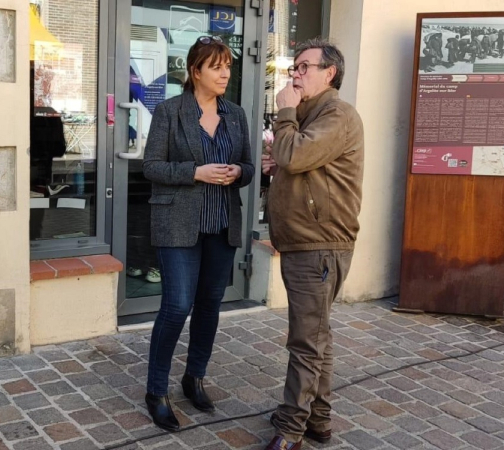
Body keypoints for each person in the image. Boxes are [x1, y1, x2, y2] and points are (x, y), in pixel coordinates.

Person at [142, 35, 254, 432]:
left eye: (228, 66)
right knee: (176, 306)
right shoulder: (170, 111)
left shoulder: (236, 114)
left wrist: (239, 172)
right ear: (195, 72)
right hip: (178, 224)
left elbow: (248, 166)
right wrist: (195, 172)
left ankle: (194, 377)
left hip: (221, 224)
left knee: (209, 305)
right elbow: (151, 166)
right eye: (217, 67)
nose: (225, 73)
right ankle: (156, 391)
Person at [261, 38, 364, 450]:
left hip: (320, 245)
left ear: (329, 73)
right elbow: (298, 164)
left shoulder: (337, 113)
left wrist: (285, 115)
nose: (296, 75)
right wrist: (279, 166)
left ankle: (291, 431)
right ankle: (319, 419)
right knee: (316, 335)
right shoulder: (314, 114)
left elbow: (297, 156)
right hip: (307, 243)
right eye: (294, 68)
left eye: (304, 67)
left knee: (305, 342)